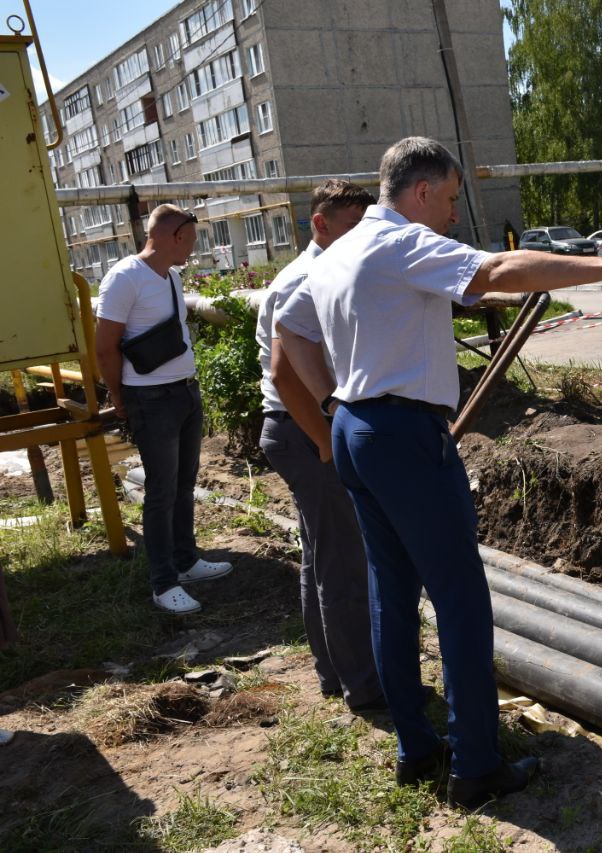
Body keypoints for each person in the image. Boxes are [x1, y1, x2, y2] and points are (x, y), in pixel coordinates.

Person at [275, 136, 602, 808]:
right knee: (461, 600)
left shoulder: (337, 252)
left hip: (354, 428)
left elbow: (290, 332)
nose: (454, 217)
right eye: (453, 200)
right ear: (423, 189)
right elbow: (494, 271)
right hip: (403, 433)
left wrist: (327, 401)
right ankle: (476, 765)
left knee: (391, 591)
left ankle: (415, 746)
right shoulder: (400, 243)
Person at [255, 180, 384, 712]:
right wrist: (327, 442)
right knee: (344, 563)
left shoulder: (332, 269)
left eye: (364, 226)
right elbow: (287, 375)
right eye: (348, 227)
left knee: (321, 557)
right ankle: (365, 687)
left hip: (303, 428)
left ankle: (335, 671)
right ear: (320, 224)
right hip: (303, 429)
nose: (359, 238)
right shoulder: (307, 278)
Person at [96, 204, 233, 615]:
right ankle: (163, 582)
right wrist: (119, 398)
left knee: (184, 482)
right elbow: (104, 346)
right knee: (160, 490)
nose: (194, 247)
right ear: (175, 236)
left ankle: (186, 560)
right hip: (150, 399)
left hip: (184, 393)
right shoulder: (124, 277)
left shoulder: (171, 276)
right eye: (191, 239)